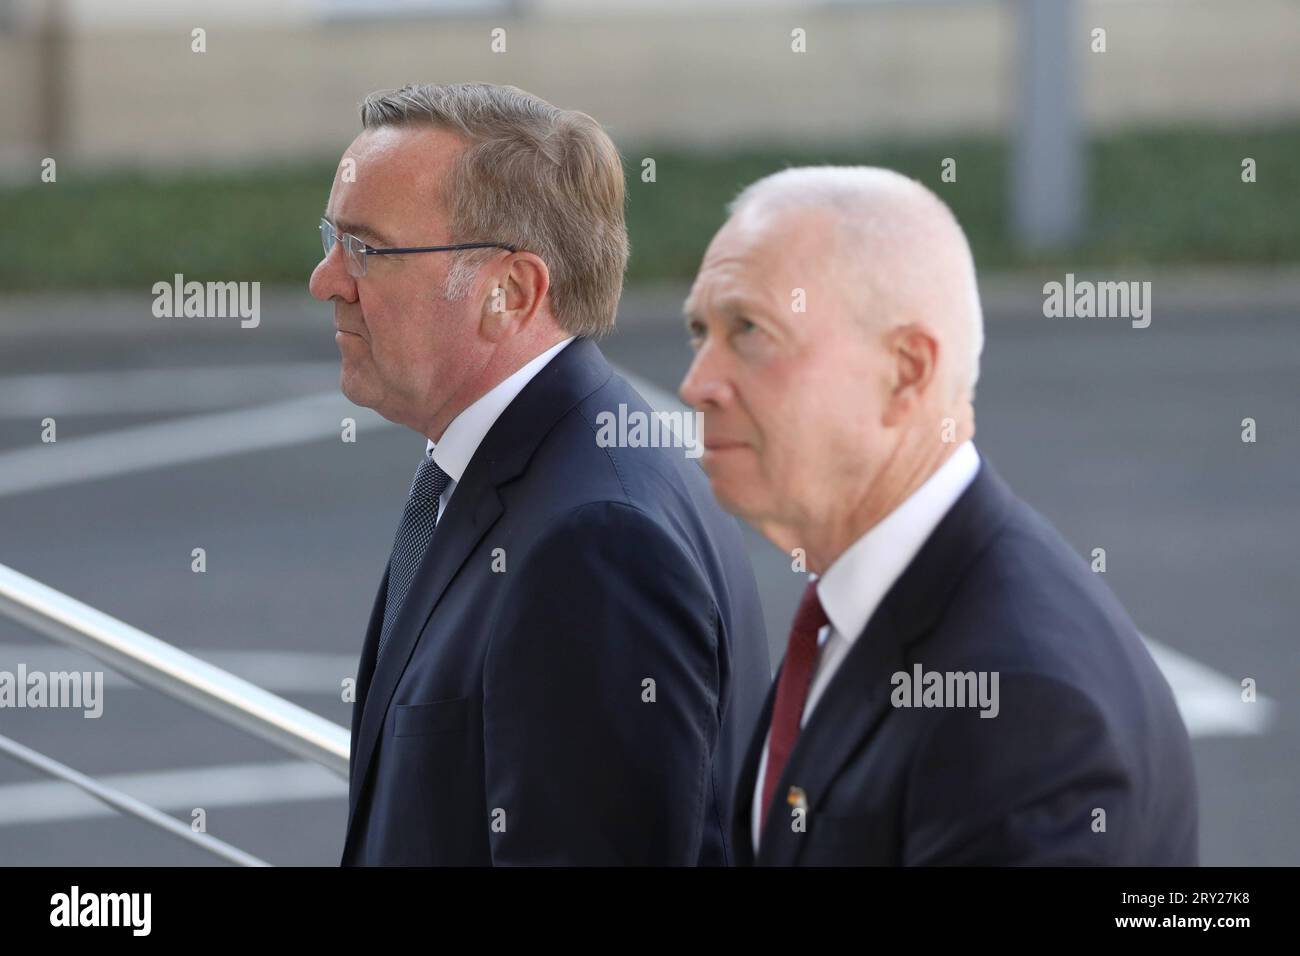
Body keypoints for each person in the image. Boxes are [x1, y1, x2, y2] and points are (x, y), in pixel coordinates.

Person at [678, 166, 1198, 865]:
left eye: (748, 330)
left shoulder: (1020, 707)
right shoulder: (868, 605)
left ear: (907, 373)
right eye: (698, 331)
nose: (697, 383)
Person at [310, 82, 769, 865]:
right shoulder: (517, 468)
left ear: (510, 292)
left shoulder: (596, 542)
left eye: (366, 249)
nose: (326, 281)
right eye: (329, 238)